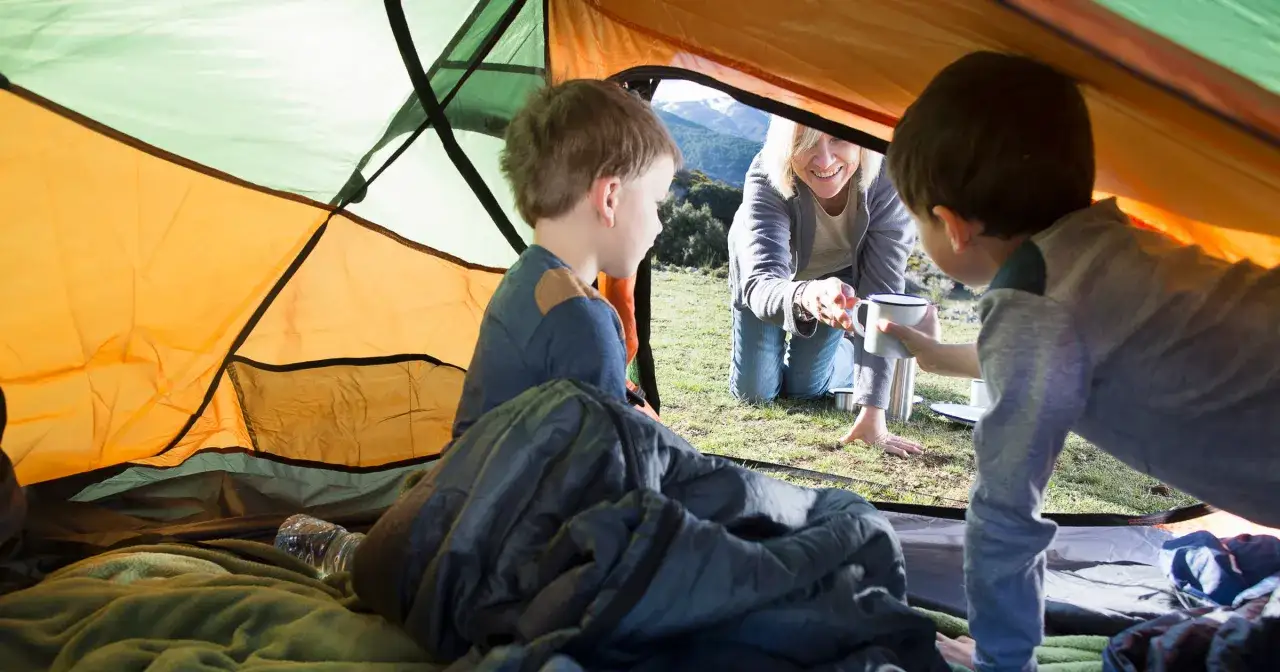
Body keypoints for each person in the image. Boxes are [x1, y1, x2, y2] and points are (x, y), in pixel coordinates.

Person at [881, 50, 1280, 671]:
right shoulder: (1104, 254)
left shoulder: (1033, 303)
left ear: (950, 227)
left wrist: (1001, 658)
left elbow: (1005, 512)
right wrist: (936, 358)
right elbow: (1051, 363)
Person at [451, 79, 680, 439]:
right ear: (609, 198)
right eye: (656, 203)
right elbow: (601, 470)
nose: (658, 225)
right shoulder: (582, 322)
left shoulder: (526, 279)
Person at [726, 116, 924, 457]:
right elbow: (761, 285)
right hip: (772, 283)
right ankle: (826, 339)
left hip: (839, 288)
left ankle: (845, 349)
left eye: (839, 139)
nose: (824, 160)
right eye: (805, 144)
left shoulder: (888, 182)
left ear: (862, 139)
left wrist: (872, 411)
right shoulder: (766, 174)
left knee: (806, 390)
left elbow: (881, 297)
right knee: (755, 393)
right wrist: (806, 294)